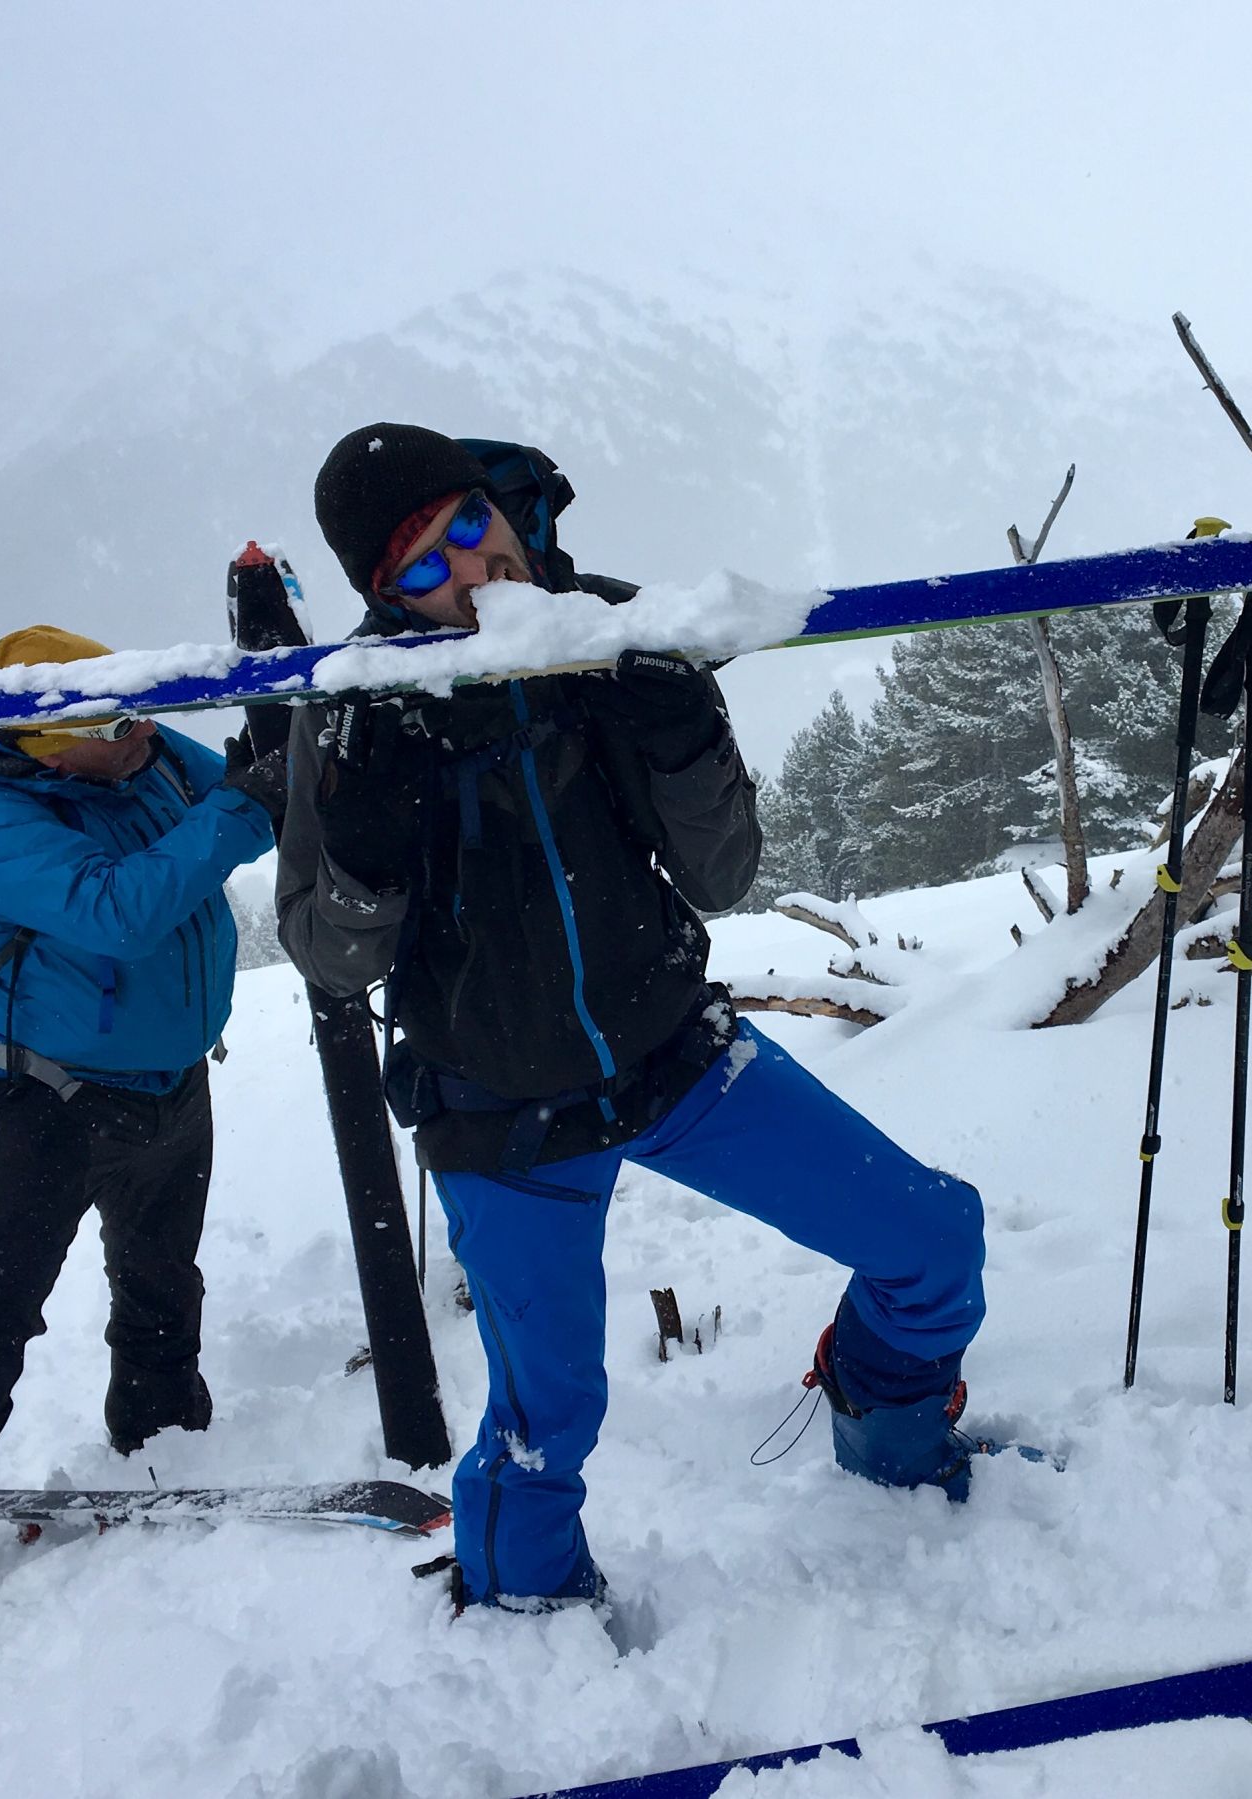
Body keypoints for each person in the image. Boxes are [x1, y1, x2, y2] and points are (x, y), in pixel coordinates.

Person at [278, 425, 991, 1612]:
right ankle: (530, 1610)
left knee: (930, 1242)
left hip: (673, 1054)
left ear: (502, 508)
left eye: (469, 524)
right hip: (500, 1113)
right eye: (418, 567)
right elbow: (329, 955)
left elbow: (723, 875)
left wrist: (683, 732)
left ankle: (893, 1442)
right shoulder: (358, 708)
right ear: (380, 598)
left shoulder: (619, 631)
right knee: (545, 1418)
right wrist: (365, 845)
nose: (469, 569)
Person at [0, 625, 288, 1676]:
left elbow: (240, 808)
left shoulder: (140, 754)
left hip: (171, 1082)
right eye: (105, 718)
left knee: (159, 1278)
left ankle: (161, 1436)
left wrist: (275, 761)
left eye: (130, 701)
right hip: (48, 1104)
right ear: (42, 744)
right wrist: (244, 802)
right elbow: (122, 907)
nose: (137, 725)